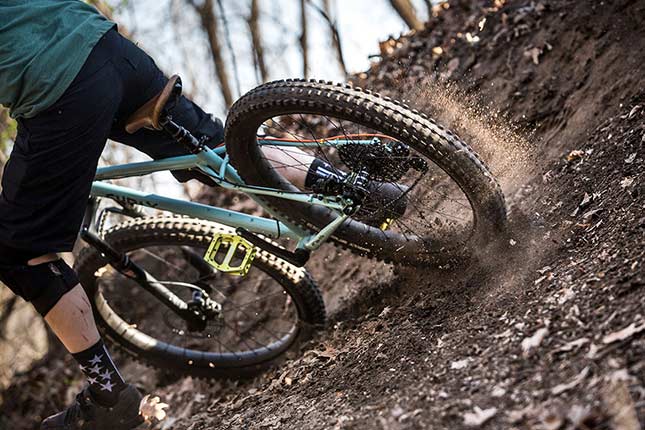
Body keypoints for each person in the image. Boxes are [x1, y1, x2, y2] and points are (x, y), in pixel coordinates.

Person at [0, 1, 407, 428]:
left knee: (20, 252)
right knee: (215, 150)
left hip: (57, 89)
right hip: (112, 51)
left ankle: (108, 395)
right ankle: (356, 188)